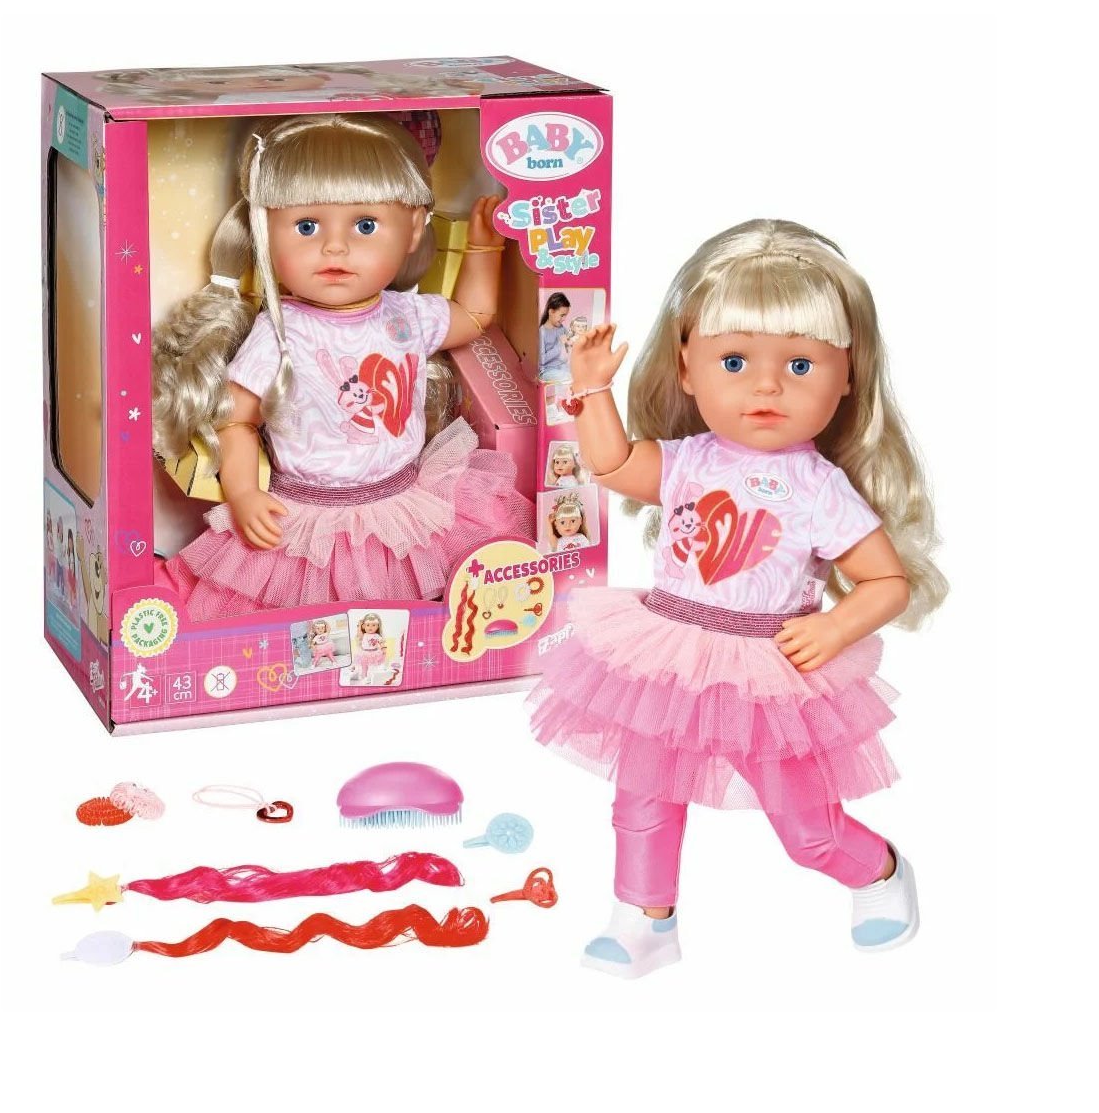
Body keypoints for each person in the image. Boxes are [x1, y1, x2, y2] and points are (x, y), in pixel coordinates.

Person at [528, 219, 946, 978]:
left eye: (800, 364)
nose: (766, 386)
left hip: (768, 665)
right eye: (734, 361)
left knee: (804, 825)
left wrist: (836, 628)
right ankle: (643, 919)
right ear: (686, 368)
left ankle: (878, 872)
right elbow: (613, 466)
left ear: (848, 376)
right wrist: (591, 389)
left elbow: (887, 581)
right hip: (669, 650)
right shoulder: (689, 460)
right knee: (643, 796)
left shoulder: (820, 488)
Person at [152, 113, 533, 619]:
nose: (335, 246)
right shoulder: (281, 331)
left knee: (426, 605)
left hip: (405, 503)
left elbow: (474, 316)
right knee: (306, 619)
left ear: (413, 229)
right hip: (309, 516)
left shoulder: (406, 316)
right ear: (265, 232)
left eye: (365, 225)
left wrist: (485, 248)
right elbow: (236, 420)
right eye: (306, 226)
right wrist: (243, 491)